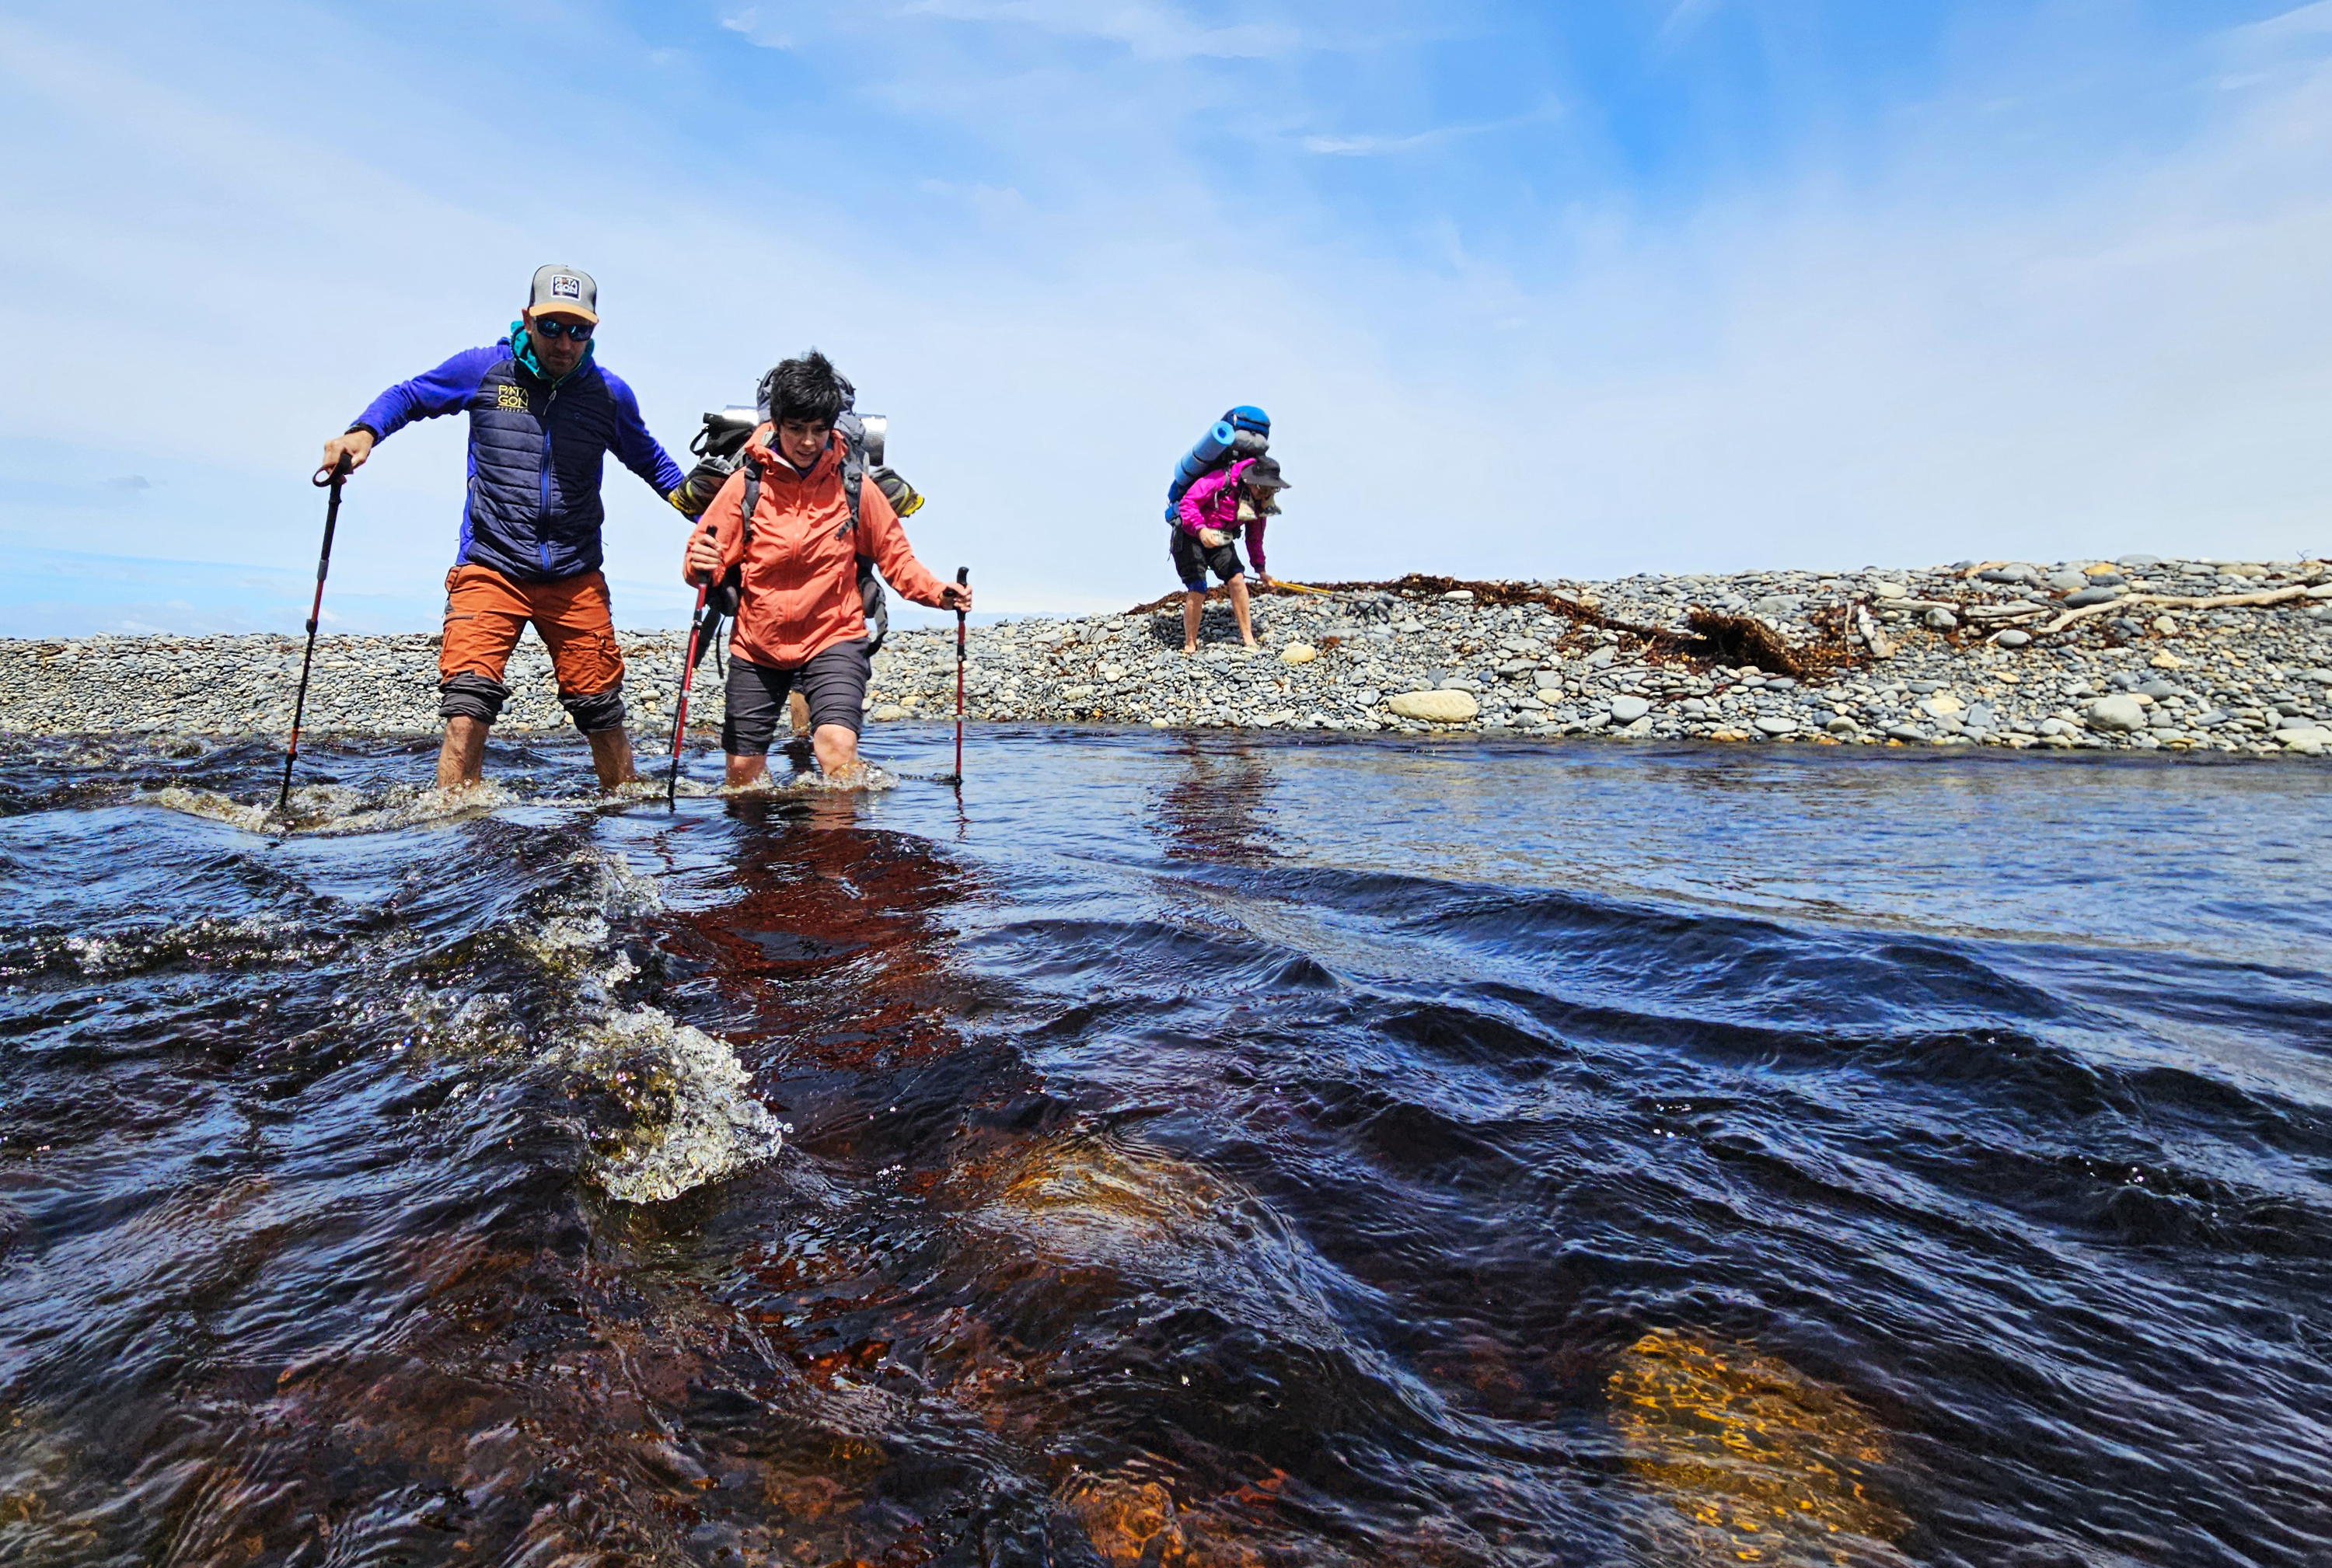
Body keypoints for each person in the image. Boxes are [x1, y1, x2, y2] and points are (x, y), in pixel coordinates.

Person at [317, 264, 689, 793]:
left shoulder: (609, 394)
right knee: (467, 707)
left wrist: (705, 512)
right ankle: (453, 825)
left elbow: (653, 463)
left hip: (574, 573)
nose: (565, 342)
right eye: (553, 327)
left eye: (579, 330)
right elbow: (411, 395)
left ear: (594, 329)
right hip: (491, 567)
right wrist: (364, 432)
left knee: (602, 712)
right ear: (528, 319)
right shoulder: (487, 369)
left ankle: (623, 812)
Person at [682, 351, 972, 787]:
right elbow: (702, 557)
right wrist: (698, 563)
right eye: (796, 429)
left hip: (833, 636)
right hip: (756, 643)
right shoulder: (746, 486)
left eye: (819, 430)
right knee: (742, 778)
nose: (807, 442)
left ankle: (836, 850)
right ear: (775, 424)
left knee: (836, 748)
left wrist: (938, 593)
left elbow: (899, 560)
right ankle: (761, 854)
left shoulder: (856, 488)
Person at [1171, 453, 1289, 654]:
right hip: (1191, 536)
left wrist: (1261, 570)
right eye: (1264, 488)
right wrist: (1201, 528)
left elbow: (1255, 539)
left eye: (1272, 490)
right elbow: (1188, 503)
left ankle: (1248, 637)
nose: (1266, 494)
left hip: (1221, 539)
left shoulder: (1257, 504)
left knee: (1237, 579)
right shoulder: (1220, 480)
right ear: (1252, 481)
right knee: (1198, 587)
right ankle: (1190, 643)